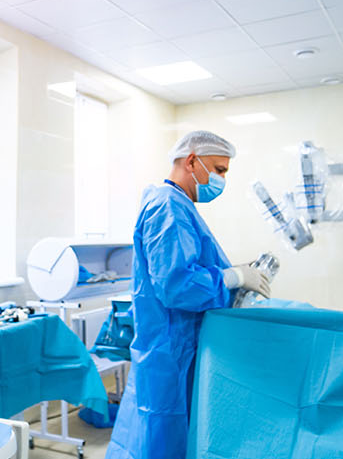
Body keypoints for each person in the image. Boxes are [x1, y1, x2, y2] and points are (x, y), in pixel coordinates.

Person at [105, 131, 271, 459]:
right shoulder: (167, 206)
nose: (222, 180)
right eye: (219, 170)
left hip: (176, 345)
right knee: (161, 437)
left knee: (163, 433)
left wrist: (231, 275)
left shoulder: (177, 204)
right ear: (192, 160)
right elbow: (177, 285)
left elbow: (187, 266)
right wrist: (233, 276)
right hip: (169, 349)